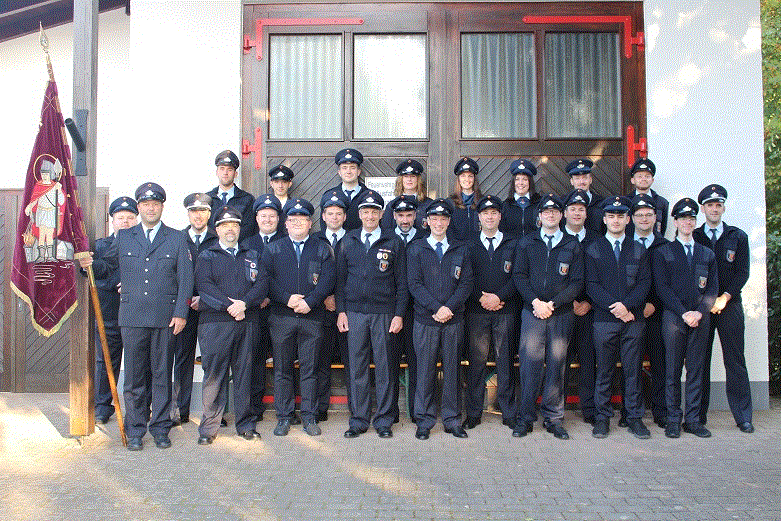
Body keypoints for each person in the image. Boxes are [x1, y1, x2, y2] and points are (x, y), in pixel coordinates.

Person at [80, 182, 194, 451]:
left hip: (165, 318)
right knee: (134, 378)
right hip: (131, 318)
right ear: (139, 207)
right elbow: (106, 264)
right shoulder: (126, 236)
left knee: (162, 375)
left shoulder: (177, 237)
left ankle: (161, 427)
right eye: (145, 204)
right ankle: (134, 429)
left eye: (155, 204)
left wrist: (181, 313)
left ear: (162, 207)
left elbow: (186, 279)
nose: (150, 208)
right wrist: (89, 263)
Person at [261, 198, 335, 436]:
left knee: (310, 369)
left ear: (310, 223)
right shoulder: (273, 249)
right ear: (286, 223)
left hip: (312, 318)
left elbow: (327, 280)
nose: (297, 224)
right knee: (282, 369)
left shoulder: (322, 248)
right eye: (292, 220)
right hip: (282, 317)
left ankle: (310, 417)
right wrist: (287, 298)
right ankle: (283, 416)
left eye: (302, 220)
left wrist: (309, 302)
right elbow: (266, 280)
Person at [336, 190, 407, 438]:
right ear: (359, 214)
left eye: (374, 211)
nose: (370, 216)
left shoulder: (393, 242)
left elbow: (402, 283)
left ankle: (384, 420)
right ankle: (358, 419)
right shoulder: (348, 240)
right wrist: (341, 311)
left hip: (384, 314)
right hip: (354, 314)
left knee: (386, 367)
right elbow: (340, 281)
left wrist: (399, 314)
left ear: (381, 214)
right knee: (357, 367)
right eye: (366, 211)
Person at [512, 194, 583, 440]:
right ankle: (525, 418)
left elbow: (576, 282)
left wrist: (552, 304)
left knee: (557, 367)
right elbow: (519, 276)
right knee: (529, 367)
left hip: (560, 314)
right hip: (532, 313)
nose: (550, 215)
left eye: (555, 212)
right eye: (546, 212)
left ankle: (553, 418)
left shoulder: (572, 244)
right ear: (539, 216)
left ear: (561, 216)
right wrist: (535, 302)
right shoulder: (527, 242)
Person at [195, 207, 267, 445]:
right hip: (216, 324)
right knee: (215, 376)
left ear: (239, 229)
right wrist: (230, 306)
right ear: (217, 230)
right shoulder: (207, 255)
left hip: (246, 322)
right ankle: (209, 428)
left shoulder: (252, 254)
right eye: (225, 226)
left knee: (245, 375)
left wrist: (244, 304)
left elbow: (262, 285)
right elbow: (205, 287)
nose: (230, 229)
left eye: (234, 225)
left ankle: (245, 425)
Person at [406, 198, 473, 439]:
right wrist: (436, 307)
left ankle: (452, 420)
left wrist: (449, 308)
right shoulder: (416, 248)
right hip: (426, 320)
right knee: (424, 371)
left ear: (448, 222)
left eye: (443, 219)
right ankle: (424, 421)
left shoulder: (460, 248)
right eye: (434, 219)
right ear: (427, 222)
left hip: (453, 320)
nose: (439, 223)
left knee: (453, 371)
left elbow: (466, 284)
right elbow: (414, 284)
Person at [586, 196, 652, 439]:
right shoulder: (593, 248)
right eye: (611, 216)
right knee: (603, 371)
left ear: (627, 219)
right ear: (604, 219)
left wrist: (627, 307)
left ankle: (634, 417)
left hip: (633, 320)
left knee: (632, 371)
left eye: (620, 216)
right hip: (604, 320)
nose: (616, 220)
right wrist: (615, 307)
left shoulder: (638, 249)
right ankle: (602, 418)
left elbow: (645, 283)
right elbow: (591, 285)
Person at [652, 198, 718, 438]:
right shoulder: (664, 252)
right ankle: (672, 419)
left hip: (700, 319)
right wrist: (684, 313)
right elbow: (662, 288)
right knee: (672, 370)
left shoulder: (707, 254)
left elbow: (712, 290)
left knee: (696, 371)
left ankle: (693, 419)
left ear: (695, 222)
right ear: (675, 222)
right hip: (674, 318)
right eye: (682, 219)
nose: (687, 223)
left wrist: (699, 312)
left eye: (691, 219)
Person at [693, 184, 754, 433]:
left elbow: (742, 272)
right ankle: (698, 417)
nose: (714, 209)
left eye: (718, 205)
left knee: (735, 361)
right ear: (703, 209)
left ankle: (743, 417)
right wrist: (705, 301)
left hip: (729, 305)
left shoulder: (737, 236)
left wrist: (725, 297)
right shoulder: (695, 236)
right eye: (710, 205)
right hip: (702, 307)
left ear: (723, 208)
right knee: (700, 361)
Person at [463, 195, 518, 430]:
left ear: (500, 216)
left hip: (505, 311)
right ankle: (474, 413)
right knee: (477, 363)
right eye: (485, 213)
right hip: (477, 311)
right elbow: (466, 278)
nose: (490, 217)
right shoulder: (469, 243)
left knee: (505, 362)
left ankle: (508, 412)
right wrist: (482, 298)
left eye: (494, 213)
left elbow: (518, 276)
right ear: (479, 217)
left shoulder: (513, 243)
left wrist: (499, 297)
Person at [90, 196, 138, 425]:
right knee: (105, 361)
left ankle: (137, 408)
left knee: (137, 363)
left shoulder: (144, 246)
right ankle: (102, 406)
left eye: (130, 218)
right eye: (121, 218)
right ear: (112, 220)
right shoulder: (100, 246)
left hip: (137, 316)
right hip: (108, 316)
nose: (126, 222)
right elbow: (94, 277)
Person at [172, 193, 218, 427]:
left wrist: (206, 299)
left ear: (209, 214)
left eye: (202, 211)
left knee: (213, 360)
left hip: (212, 309)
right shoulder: (177, 239)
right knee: (183, 359)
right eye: (193, 211)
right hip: (185, 308)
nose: (198, 215)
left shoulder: (218, 238)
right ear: (187, 213)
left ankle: (213, 413)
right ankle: (181, 411)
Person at [241, 194, 284, 422]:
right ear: (256, 218)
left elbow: (286, 277)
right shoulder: (246, 244)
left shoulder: (287, 241)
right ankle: (255, 408)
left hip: (279, 310)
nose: (268, 219)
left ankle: (283, 408)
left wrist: (269, 296)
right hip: (255, 312)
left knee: (283, 360)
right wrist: (257, 298)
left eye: (272, 216)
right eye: (263, 215)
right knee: (255, 360)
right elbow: (242, 278)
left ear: (279, 218)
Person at [630, 193, 670, 428]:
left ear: (656, 218)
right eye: (639, 215)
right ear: (632, 218)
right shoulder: (624, 243)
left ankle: (660, 410)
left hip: (657, 313)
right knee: (631, 364)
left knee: (659, 363)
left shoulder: (665, 246)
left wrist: (654, 303)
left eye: (648, 215)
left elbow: (668, 281)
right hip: (632, 313)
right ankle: (630, 410)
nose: (644, 219)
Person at [561, 189, 600, 425]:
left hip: (589, 309)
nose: (577, 213)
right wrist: (569, 301)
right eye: (573, 209)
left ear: (587, 213)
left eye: (581, 209)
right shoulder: (558, 238)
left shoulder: (596, 240)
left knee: (588, 361)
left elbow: (602, 276)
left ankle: (589, 408)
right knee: (560, 360)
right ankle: (558, 408)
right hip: (564, 308)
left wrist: (589, 302)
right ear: (565, 213)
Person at [313, 190, 350, 422]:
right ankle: (320, 408)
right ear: (323, 216)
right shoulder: (315, 239)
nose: (334, 217)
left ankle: (358, 409)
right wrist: (324, 297)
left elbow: (356, 277)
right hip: (322, 310)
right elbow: (311, 274)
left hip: (348, 310)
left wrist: (342, 301)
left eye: (339, 213)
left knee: (352, 361)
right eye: (330, 213)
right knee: (321, 362)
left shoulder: (354, 238)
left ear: (345, 217)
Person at [387, 195, 425, 422]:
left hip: (418, 312)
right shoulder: (386, 238)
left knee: (417, 364)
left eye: (409, 215)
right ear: (394, 216)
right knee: (389, 364)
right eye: (400, 215)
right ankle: (391, 413)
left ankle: (416, 412)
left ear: (415, 216)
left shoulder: (424, 238)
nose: (404, 219)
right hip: (391, 312)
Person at [206, 150, 257, 242]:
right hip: (212, 250)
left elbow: (249, 229)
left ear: (235, 174)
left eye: (229, 169)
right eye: (222, 168)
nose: (225, 173)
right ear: (216, 172)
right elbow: (205, 227)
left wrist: (230, 241)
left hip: (238, 250)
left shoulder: (247, 199)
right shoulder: (207, 199)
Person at [321, 149, 368, 231]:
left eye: (352, 168)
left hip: (362, 242)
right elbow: (324, 225)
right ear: (339, 172)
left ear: (359, 171)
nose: (348, 172)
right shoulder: (329, 195)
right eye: (344, 168)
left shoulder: (368, 195)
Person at [380, 159, 432, 231]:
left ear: (418, 180)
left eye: (413, 176)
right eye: (406, 176)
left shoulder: (429, 204)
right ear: (401, 180)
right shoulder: (391, 205)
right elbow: (386, 231)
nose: (409, 179)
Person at [626, 158, 668, 237]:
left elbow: (662, 230)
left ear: (652, 180)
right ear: (632, 180)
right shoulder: (626, 202)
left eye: (647, 176)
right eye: (640, 176)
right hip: (630, 246)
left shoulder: (662, 202)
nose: (643, 179)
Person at [500, 159, 541, 239]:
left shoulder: (539, 203)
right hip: (512, 250)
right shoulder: (506, 205)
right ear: (513, 182)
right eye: (517, 179)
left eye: (525, 179)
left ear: (530, 182)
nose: (521, 183)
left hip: (534, 249)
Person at [448, 157, 483, 242]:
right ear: (458, 179)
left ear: (474, 179)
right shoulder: (450, 202)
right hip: (456, 250)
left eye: (470, 176)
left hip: (478, 250)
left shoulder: (482, 201)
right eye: (463, 176)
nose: (467, 179)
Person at [566, 159, 604, 234]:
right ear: (571, 181)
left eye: (585, 178)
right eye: (577, 178)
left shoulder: (601, 203)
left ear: (590, 180)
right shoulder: (563, 202)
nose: (581, 182)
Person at [267, 165, 294, 234]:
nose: (280, 186)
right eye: (276, 182)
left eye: (284, 182)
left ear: (289, 184)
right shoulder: (265, 205)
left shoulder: (294, 205)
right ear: (271, 184)